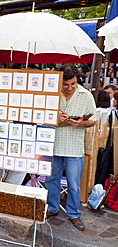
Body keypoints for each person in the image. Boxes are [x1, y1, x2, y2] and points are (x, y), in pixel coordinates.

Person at [45, 64, 96, 232]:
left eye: (72, 84)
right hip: (52, 144)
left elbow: (93, 120)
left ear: (77, 81)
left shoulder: (85, 95)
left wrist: (81, 122)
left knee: (74, 183)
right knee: (51, 179)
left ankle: (74, 213)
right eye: (65, 84)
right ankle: (52, 207)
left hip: (74, 146)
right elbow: (41, 116)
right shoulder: (51, 93)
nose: (69, 87)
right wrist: (55, 118)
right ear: (60, 81)